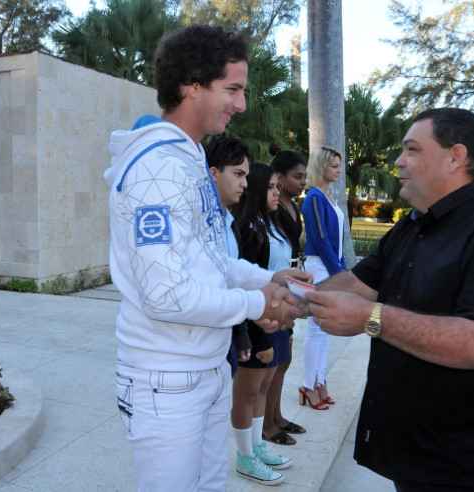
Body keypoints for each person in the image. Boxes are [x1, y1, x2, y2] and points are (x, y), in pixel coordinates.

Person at [103, 25, 309, 492]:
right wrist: (259, 304)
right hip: (167, 379)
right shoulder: (158, 168)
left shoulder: (191, 156)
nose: (240, 104)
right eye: (232, 89)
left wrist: (268, 277)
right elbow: (167, 295)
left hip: (207, 366)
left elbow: (213, 256)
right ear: (192, 84)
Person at [303, 108, 474, 491]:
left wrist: (373, 318)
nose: (399, 161)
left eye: (412, 150)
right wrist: (291, 299)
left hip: (469, 466)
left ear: (456, 156)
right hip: (413, 455)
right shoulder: (415, 223)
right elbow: (360, 283)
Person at [230, 163, 294, 485]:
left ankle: (256, 446)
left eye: (276, 186)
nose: (276, 192)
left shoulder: (273, 222)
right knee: (248, 392)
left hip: (275, 321)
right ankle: (245, 456)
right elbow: (245, 286)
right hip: (256, 325)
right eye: (270, 187)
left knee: (264, 388)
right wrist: (256, 337)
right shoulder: (247, 229)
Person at [263, 143, 308, 441]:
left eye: (305, 176)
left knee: (287, 355)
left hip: (292, 279)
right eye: (297, 176)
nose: (303, 182)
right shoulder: (273, 206)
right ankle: (267, 425)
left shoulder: (293, 205)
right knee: (275, 356)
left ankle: (277, 415)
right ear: (279, 177)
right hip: (277, 281)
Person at [300, 145, 346, 410]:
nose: (338, 171)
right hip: (319, 268)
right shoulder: (314, 197)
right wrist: (337, 271)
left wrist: (340, 268)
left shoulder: (329, 197)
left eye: (339, 166)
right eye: (333, 166)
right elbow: (319, 238)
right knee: (316, 330)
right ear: (321, 166)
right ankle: (308, 385)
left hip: (329, 267)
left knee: (324, 330)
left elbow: (337, 242)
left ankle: (319, 382)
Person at [205, 137, 253, 375]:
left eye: (245, 176)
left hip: (226, 338)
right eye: (238, 174)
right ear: (213, 173)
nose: (244, 183)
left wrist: (240, 333)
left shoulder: (232, 224)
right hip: (202, 343)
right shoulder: (198, 224)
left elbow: (234, 282)